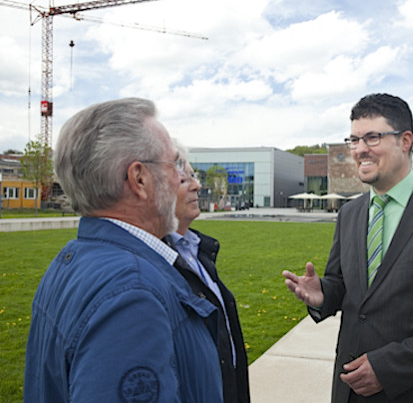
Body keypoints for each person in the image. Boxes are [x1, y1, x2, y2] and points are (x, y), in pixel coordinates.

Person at [282, 93, 413, 402]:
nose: (360, 149)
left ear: (405, 141)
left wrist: (388, 367)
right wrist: (323, 293)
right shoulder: (349, 213)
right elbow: (345, 286)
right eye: (353, 140)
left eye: (372, 137)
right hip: (348, 389)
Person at [24, 98, 223, 402]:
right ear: (139, 179)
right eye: (174, 164)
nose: (180, 178)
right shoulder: (132, 293)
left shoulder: (72, 260)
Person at [163, 143, 250, 403]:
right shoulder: (158, 262)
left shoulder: (198, 251)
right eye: (184, 179)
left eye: (195, 177)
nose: (197, 186)